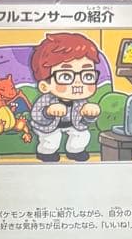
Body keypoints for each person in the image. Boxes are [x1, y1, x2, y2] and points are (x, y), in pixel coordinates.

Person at [29, 32, 102, 162]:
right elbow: (36, 116)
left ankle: (75, 151)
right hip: (49, 127)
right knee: (52, 140)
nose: (78, 83)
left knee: (82, 135)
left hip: (73, 125)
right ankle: (45, 153)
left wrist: (90, 115)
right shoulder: (46, 100)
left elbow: (83, 124)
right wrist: (48, 112)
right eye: (66, 76)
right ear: (45, 86)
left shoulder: (81, 102)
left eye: (87, 76)